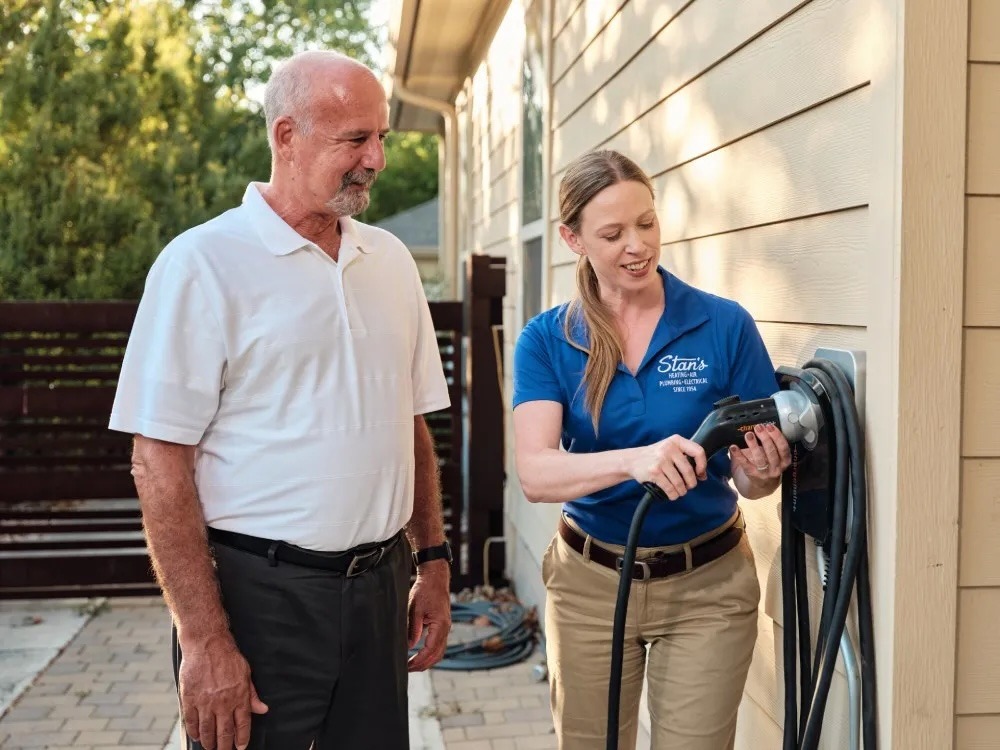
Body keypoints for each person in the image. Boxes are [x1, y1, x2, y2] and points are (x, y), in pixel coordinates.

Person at [109, 50, 454, 750]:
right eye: (355, 139)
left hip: (380, 590)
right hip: (259, 600)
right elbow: (158, 462)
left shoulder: (389, 261)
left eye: (382, 136)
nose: (377, 159)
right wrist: (204, 640)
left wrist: (436, 563)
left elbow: (407, 424)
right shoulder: (201, 264)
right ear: (286, 136)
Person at [512, 149, 793, 750]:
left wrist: (763, 473)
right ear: (572, 239)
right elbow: (536, 473)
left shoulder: (723, 325)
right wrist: (633, 460)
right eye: (612, 233)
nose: (637, 244)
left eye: (647, 223)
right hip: (589, 585)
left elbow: (751, 481)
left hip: (708, 587)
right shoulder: (548, 339)